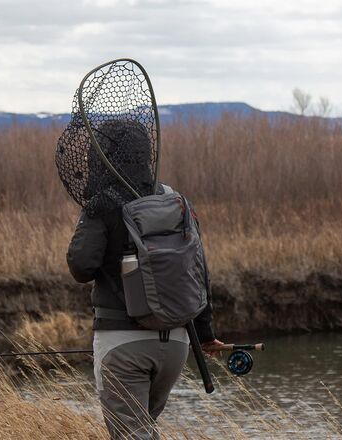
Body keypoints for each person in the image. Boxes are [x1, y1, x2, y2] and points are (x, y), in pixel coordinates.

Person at [66, 120, 223, 439]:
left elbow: (81, 267)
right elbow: (198, 271)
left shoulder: (102, 204)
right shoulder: (176, 201)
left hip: (122, 344)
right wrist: (204, 334)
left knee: (132, 434)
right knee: (142, 430)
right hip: (177, 345)